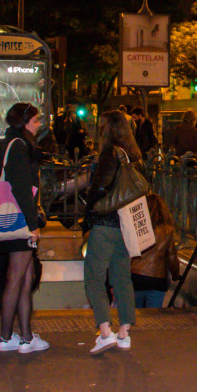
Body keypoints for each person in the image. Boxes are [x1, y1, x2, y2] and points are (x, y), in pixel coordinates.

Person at [66, 108, 141, 354]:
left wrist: (90, 212)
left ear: (107, 129)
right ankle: (124, 333)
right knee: (122, 276)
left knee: (94, 277)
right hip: (125, 223)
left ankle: (105, 331)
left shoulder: (110, 153)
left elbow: (99, 186)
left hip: (105, 223)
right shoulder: (134, 154)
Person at [0, 103, 49, 352]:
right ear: (24, 123)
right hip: (19, 219)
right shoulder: (19, 147)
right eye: (35, 120)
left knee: (25, 276)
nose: (38, 124)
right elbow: (21, 187)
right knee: (17, 277)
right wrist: (32, 224)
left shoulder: (6, 145)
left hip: (8, 218)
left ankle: (25, 336)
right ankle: (6, 337)